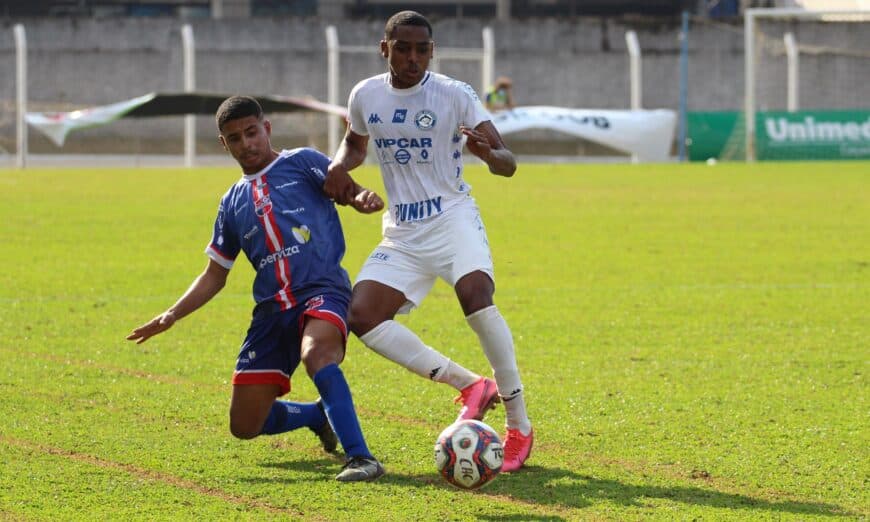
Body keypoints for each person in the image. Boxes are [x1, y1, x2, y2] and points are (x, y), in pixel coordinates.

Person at [126, 95, 386, 482]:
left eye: (251, 132)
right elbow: (215, 274)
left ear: (266, 128)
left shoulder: (303, 163)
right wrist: (171, 314)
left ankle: (362, 459)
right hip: (271, 312)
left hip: (322, 290)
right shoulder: (231, 203)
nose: (246, 143)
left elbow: (352, 190)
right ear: (224, 144)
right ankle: (318, 414)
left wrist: (364, 198)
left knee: (317, 354)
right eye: (235, 138)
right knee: (246, 424)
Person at [325, 11, 533, 472]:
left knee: (476, 297)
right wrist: (340, 165)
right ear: (386, 49)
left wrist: (487, 153)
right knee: (361, 316)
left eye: (422, 49)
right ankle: (472, 385)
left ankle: (519, 424)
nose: (413, 57)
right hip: (402, 231)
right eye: (403, 48)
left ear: (432, 51)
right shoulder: (366, 94)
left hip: (452, 217)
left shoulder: (454, 94)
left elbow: (508, 162)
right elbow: (356, 145)